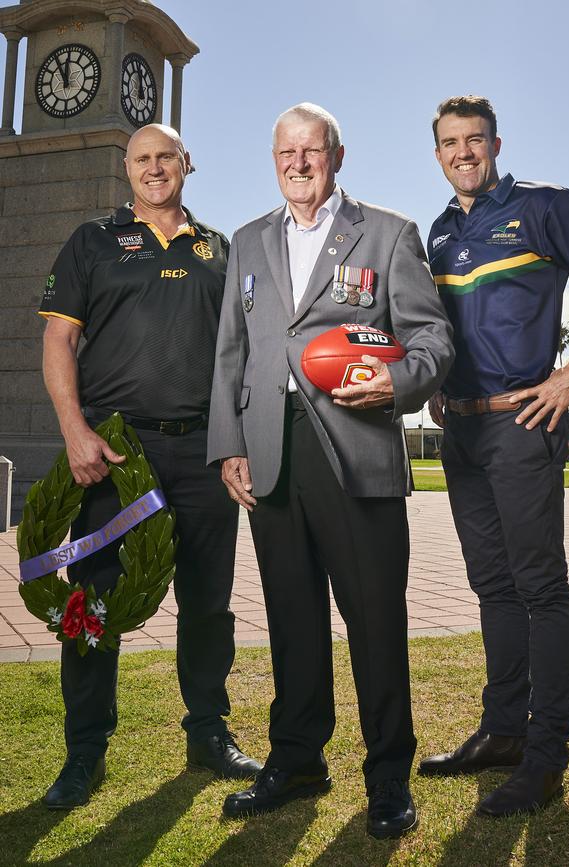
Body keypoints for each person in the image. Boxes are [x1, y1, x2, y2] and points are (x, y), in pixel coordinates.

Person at [207, 103, 454, 839]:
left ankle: (388, 778)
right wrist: (230, 443)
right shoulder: (249, 242)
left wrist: (398, 383)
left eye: (312, 150)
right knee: (292, 618)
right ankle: (298, 758)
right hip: (272, 453)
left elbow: (432, 338)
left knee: (376, 621)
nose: (299, 163)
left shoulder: (388, 232)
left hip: (356, 450)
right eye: (286, 152)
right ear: (274, 159)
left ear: (337, 156)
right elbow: (230, 353)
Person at [418, 95, 569, 816]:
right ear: (438, 153)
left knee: (541, 588)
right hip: (461, 430)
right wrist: (433, 380)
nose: (463, 151)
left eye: (474, 139)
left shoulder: (545, 206)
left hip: (524, 422)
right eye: (450, 142)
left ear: (495, 143)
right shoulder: (440, 232)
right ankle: (502, 732)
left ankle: (546, 756)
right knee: (493, 587)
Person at [39, 124, 261, 809]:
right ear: (127, 168)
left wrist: (238, 441)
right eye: (142, 159)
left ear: (187, 163)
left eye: (167, 156)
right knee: (95, 594)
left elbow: (243, 357)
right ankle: (84, 752)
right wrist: (75, 431)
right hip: (115, 450)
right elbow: (58, 339)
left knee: (207, 599)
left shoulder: (221, 249)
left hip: (203, 449)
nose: (155, 168)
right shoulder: (92, 241)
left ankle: (208, 732)